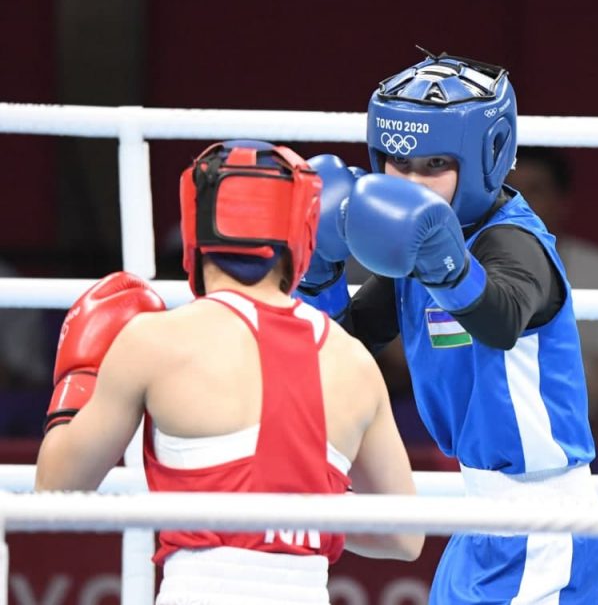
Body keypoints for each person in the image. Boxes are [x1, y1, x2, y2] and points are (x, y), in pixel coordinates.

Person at [36, 141, 422, 605]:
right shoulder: (353, 360)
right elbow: (403, 536)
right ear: (302, 233)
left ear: (196, 227)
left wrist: (78, 381)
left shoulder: (154, 341)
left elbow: (56, 492)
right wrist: (295, 509)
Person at [297, 52, 598, 604]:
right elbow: (343, 350)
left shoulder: (515, 242)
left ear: (486, 158)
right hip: (483, 518)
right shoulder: (410, 251)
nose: (412, 183)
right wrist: (318, 273)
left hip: (541, 523)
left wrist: (446, 265)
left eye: (434, 164)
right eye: (399, 164)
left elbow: (500, 318)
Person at [506, 148, 598, 423]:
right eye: (509, 189)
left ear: (562, 202)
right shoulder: (459, 264)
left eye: (535, 190)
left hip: (577, 425)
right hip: (473, 426)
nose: (519, 201)